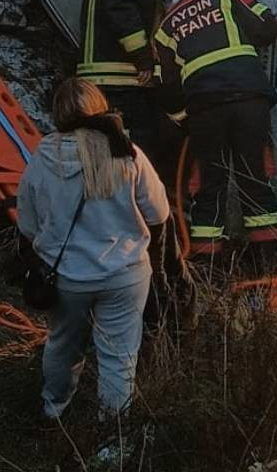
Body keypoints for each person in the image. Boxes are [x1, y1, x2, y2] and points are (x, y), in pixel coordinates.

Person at [17, 79, 169, 420]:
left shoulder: (44, 156)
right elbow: (159, 212)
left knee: (62, 347)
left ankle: (53, 412)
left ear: (58, 113)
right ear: (100, 106)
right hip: (125, 275)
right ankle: (112, 437)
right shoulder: (126, 150)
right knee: (119, 357)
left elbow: (27, 222)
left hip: (67, 278)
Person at [152, 0, 277, 261]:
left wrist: (185, 119)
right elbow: (268, 28)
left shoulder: (166, 28)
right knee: (254, 175)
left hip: (205, 111)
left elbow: (168, 91)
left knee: (210, 184)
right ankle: (265, 259)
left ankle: (207, 262)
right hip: (250, 100)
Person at [78, 0, 175, 162]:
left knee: (109, 154)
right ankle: (135, 203)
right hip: (119, 76)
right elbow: (122, 6)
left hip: (100, 74)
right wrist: (142, 57)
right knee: (137, 152)